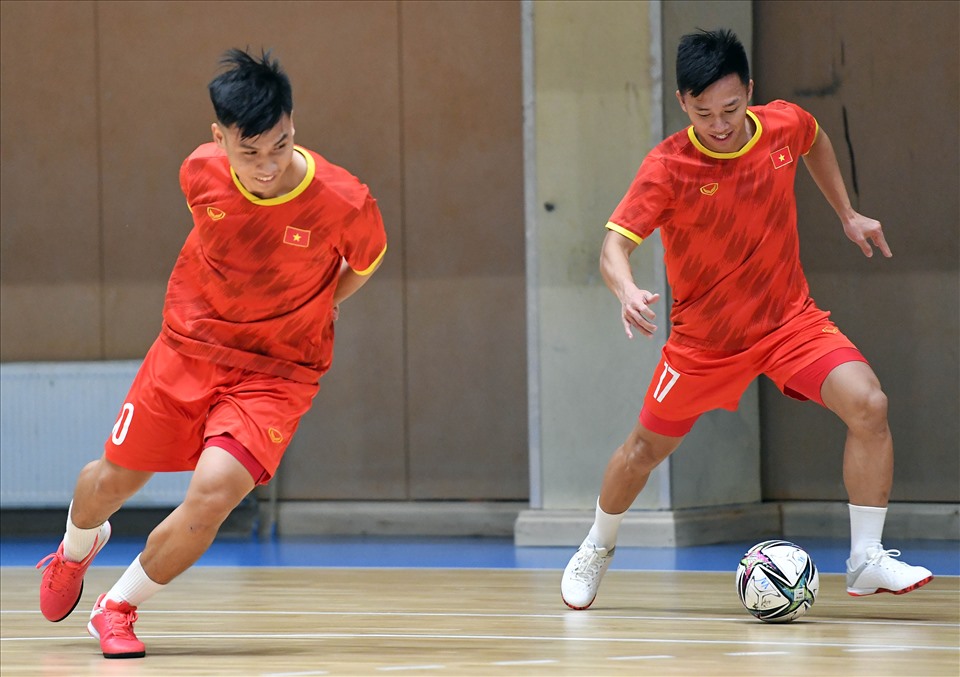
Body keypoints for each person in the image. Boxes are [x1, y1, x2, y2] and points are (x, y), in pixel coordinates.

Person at [560, 28, 933, 611]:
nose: (720, 123)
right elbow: (613, 245)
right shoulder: (668, 168)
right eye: (703, 111)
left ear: (750, 93)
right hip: (704, 343)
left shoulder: (782, 124)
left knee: (870, 405)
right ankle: (596, 547)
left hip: (788, 322)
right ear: (683, 102)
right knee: (642, 452)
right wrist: (626, 288)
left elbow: (815, 141)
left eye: (731, 108)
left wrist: (847, 213)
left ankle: (865, 559)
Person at [36, 48, 387, 658]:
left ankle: (117, 607)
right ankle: (75, 548)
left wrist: (323, 301)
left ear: (293, 125)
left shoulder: (344, 200)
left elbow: (365, 263)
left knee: (213, 494)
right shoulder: (199, 173)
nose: (267, 165)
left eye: (278, 145)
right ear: (219, 137)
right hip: (188, 352)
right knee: (108, 483)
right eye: (248, 151)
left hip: (278, 372)